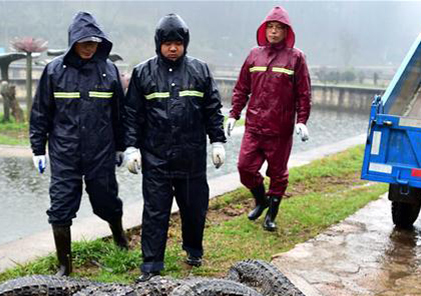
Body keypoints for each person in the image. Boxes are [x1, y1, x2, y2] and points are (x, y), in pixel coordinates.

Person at [123, 13, 226, 281]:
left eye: (177, 43)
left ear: (185, 43)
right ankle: (152, 264)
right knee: (155, 211)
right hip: (156, 158)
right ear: (158, 43)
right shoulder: (142, 72)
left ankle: (193, 249)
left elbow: (213, 109)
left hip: (191, 157)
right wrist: (131, 147)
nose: (172, 48)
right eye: (167, 43)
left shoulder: (200, 70)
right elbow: (132, 114)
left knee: (194, 208)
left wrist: (217, 141)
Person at [29, 11, 128, 276]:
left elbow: (119, 113)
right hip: (65, 153)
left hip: (101, 152)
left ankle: (120, 239)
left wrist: (122, 146)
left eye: (94, 42)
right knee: (61, 206)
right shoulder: (54, 71)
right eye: (84, 42)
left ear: (101, 43)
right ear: (73, 41)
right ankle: (65, 264)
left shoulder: (109, 71)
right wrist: (38, 149)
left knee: (107, 201)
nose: (89, 47)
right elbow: (40, 112)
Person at [226, 6, 311, 232]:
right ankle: (261, 200)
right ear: (264, 29)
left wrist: (301, 120)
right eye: (270, 27)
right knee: (245, 167)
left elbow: (304, 93)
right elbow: (241, 88)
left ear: (286, 31)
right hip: (254, 126)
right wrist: (234, 114)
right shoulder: (254, 55)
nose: (273, 32)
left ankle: (271, 215)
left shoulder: (296, 58)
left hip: (280, 129)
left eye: (279, 28)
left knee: (278, 174)